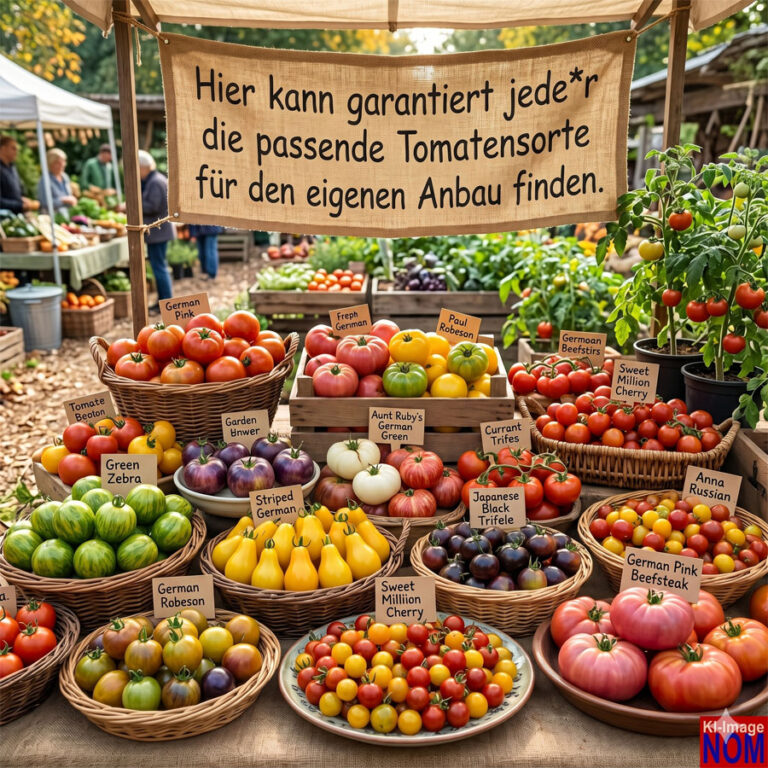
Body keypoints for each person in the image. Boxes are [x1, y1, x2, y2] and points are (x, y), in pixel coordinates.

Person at [138, 150, 174, 302]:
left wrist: (133, 204)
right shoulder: (155, 179)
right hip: (159, 233)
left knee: (159, 268)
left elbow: (154, 206)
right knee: (159, 267)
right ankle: (163, 300)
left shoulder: (155, 182)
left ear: (143, 167)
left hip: (159, 233)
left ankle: (165, 300)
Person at [0, 135, 36, 213]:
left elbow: (18, 192)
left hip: (17, 216)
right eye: (13, 148)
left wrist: (23, 199)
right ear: (3, 148)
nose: (16, 151)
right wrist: (20, 206)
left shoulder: (12, 167)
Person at [37, 148, 77, 215]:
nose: (62, 164)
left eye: (63, 161)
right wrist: (63, 200)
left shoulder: (65, 177)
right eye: (58, 162)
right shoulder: (45, 179)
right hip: (50, 217)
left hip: (66, 216)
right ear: (50, 164)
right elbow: (44, 203)